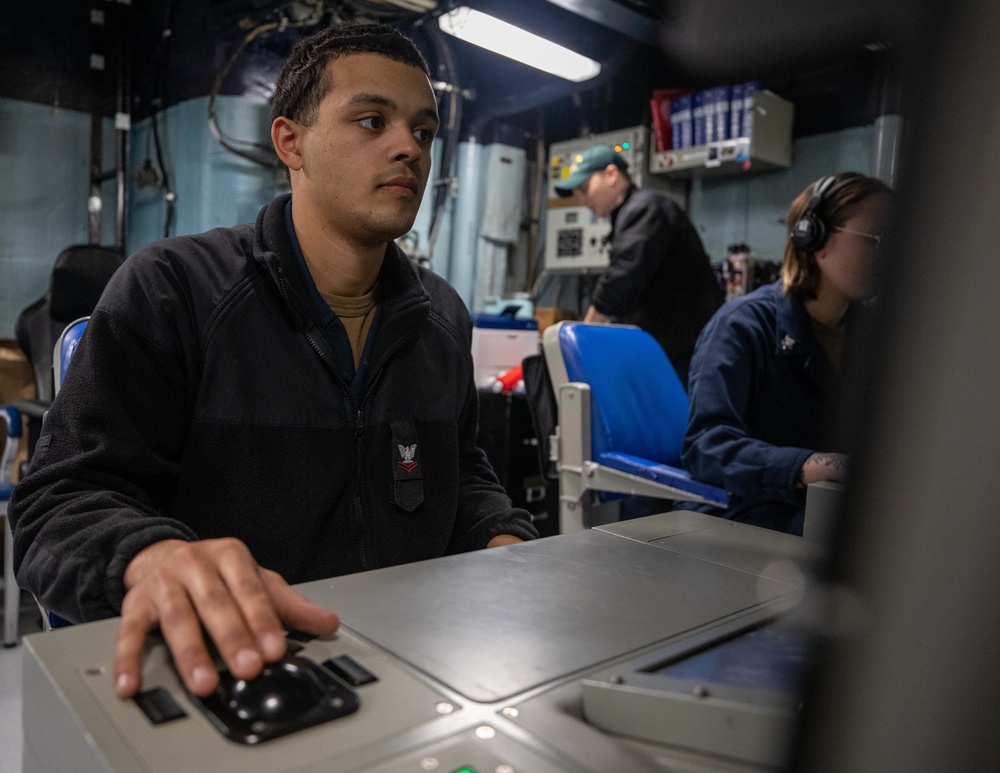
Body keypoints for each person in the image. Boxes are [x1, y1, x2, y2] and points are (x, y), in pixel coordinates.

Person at [9, 22, 537, 700]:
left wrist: (502, 541)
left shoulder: (441, 318)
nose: (409, 147)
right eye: (372, 120)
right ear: (290, 142)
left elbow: (460, 471)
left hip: (414, 665)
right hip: (243, 673)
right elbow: (59, 503)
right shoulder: (173, 290)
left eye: (424, 131)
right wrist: (154, 555)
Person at [681, 172, 892, 535]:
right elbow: (707, 447)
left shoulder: (871, 334)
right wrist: (807, 466)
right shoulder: (741, 326)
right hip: (740, 510)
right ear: (816, 239)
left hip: (819, 508)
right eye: (875, 240)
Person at [554, 145, 724, 387]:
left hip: (684, 357)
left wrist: (580, 339)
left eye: (584, 189)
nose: (582, 201)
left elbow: (621, 279)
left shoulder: (646, 208)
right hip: (665, 354)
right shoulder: (630, 214)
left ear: (612, 175)